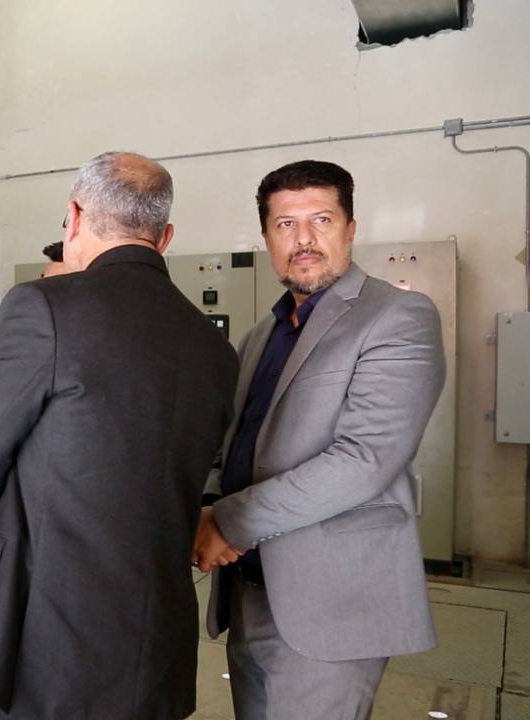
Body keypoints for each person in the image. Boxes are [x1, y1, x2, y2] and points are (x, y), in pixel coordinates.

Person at [0, 152, 238, 719]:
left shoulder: (44, 308)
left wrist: (2, 552)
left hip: (45, 641)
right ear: (165, 237)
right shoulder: (213, 347)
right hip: (157, 647)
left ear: (75, 217)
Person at [193, 159, 445, 720]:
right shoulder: (261, 334)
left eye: (321, 220)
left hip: (332, 599)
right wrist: (209, 501)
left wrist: (226, 522)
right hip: (248, 587)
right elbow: (232, 442)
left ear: (351, 228)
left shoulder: (398, 317)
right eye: (285, 224)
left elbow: (364, 460)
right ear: (267, 238)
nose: (303, 239)